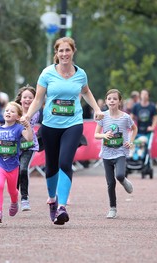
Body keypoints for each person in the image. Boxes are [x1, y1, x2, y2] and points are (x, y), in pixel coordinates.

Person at [22, 37, 104, 225]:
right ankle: (52, 199)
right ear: (56, 53)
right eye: (61, 51)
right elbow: (38, 99)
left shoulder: (80, 74)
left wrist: (97, 109)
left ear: (73, 51)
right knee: (51, 166)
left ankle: (62, 207)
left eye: (68, 50)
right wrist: (27, 115)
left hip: (73, 124)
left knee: (65, 161)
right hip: (50, 125)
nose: (64, 54)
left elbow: (86, 92)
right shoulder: (47, 74)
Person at [0, 102, 33, 223]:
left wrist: (28, 126)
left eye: (12, 111)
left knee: (12, 191)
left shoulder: (18, 128)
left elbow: (29, 138)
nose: (8, 112)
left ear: (18, 117)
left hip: (13, 165)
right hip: (0, 163)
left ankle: (14, 202)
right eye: (7, 110)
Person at [94, 89, 137, 219]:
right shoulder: (103, 116)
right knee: (110, 183)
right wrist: (104, 135)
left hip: (120, 152)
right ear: (106, 101)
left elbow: (134, 129)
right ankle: (112, 208)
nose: (112, 101)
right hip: (107, 153)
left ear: (119, 101)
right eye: (109, 99)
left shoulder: (125, 117)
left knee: (119, 175)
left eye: (114, 99)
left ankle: (123, 180)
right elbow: (96, 134)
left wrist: (130, 141)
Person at [14, 85, 40, 211]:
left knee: (23, 169)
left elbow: (27, 122)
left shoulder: (35, 112)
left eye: (31, 98)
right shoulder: (13, 110)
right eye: (25, 97)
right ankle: (15, 197)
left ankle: (24, 198)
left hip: (29, 145)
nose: (27, 100)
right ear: (20, 99)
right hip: (15, 146)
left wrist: (22, 119)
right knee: (16, 172)